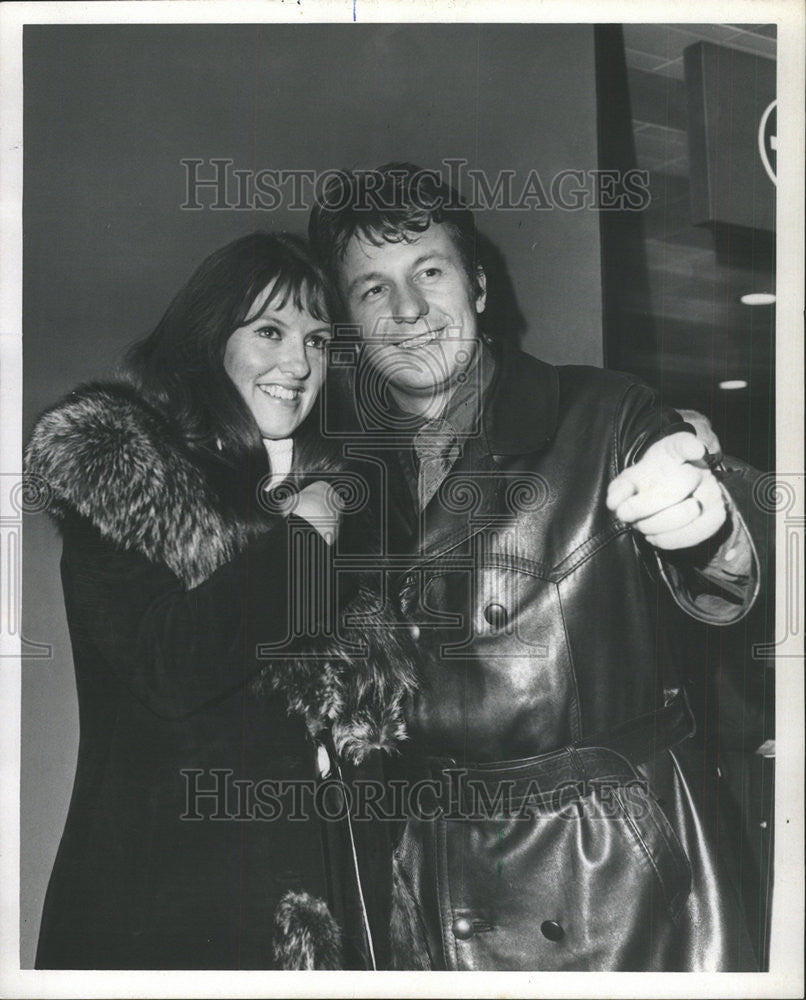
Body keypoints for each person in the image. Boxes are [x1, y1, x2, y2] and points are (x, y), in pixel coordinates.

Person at [308, 164, 763, 971]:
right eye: (371, 290)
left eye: (430, 271)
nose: (407, 311)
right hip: (427, 891)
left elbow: (733, 559)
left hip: (607, 888)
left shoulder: (604, 413)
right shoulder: (341, 482)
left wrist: (718, 534)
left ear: (478, 285)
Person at [24, 232, 416, 970]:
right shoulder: (125, 470)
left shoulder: (341, 500)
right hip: (162, 915)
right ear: (209, 339)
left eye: (318, 339)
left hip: (320, 911)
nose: (297, 364)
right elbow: (171, 665)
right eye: (270, 331)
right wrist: (307, 536)